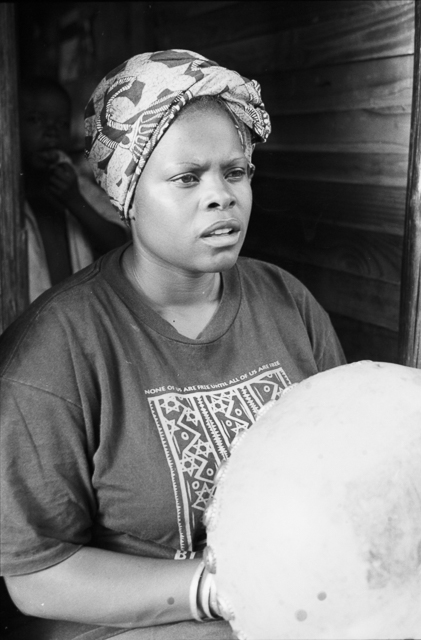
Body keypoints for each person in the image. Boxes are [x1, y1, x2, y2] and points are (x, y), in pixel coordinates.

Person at [0, 50, 346, 639]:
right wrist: (213, 589)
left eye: (235, 172)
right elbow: (37, 573)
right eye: (187, 178)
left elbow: (346, 461)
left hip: (296, 603)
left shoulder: (286, 301)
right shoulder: (56, 350)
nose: (222, 196)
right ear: (128, 192)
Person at [20, 77, 128, 303]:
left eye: (62, 124)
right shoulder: (8, 195)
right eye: (35, 119)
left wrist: (74, 200)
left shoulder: (78, 188)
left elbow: (120, 246)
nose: (51, 132)